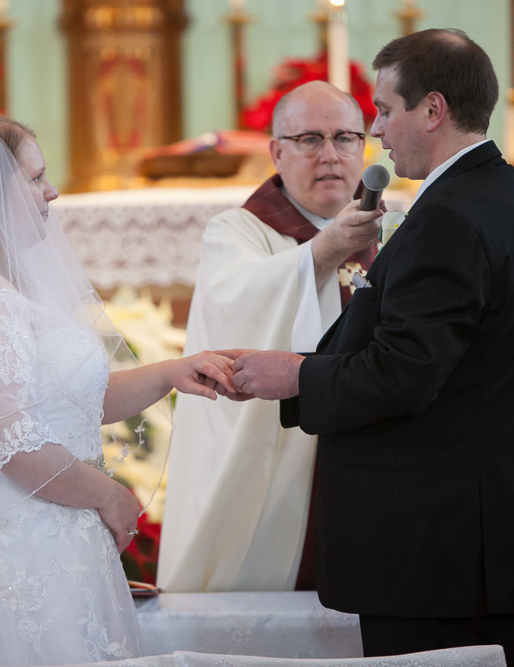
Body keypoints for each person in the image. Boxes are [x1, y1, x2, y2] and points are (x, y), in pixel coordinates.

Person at [224, 29, 514, 665]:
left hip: (437, 553)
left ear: (432, 110)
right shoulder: (491, 196)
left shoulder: (452, 216)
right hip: (461, 545)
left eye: (382, 110)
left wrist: (295, 375)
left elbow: (403, 374)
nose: (375, 131)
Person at [0, 109, 236, 665]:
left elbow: (59, 408)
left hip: (24, 536)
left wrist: (167, 373)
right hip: (10, 552)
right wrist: (111, 498)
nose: (52, 192)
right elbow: (19, 447)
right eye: (34, 178)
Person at [157, 80, 382, 592]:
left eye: (345, 138)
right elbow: (240, 303)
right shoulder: (238, 231)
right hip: (275, 455)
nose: (329, 155)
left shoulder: (395, 227)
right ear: (277, 152)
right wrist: (325, 250)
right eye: (309, 140)